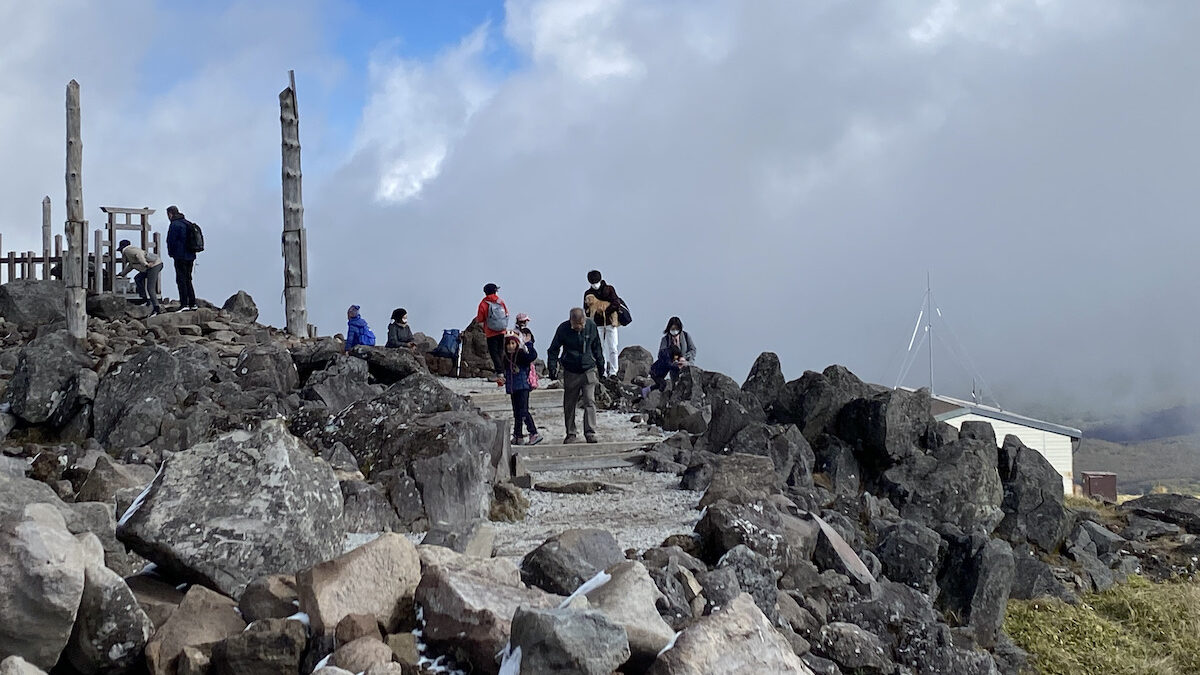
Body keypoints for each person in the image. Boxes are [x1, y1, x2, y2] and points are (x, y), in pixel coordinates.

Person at [547, 307, 605, 444]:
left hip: (588, 369)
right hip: (571, 370)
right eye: (575, 325)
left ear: (584, 320)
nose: (578, 327)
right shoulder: (563, 329)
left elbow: (597, 347)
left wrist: (602, 367)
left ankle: (590, 432)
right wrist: (552, 369)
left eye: (581, 324)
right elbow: (553, 349)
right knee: (569, 403)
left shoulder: (591, 326)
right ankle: (571, 433)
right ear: (571, 321)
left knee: (590, 401)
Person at [500, 331, 543, 446]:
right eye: (508, 344)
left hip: (523, 387)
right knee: (516, 412)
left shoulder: (521, 354)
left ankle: (533, 433)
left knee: (524, 411)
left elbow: (532, 356)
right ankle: (518, 435)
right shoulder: (505, 357)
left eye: (513, 343)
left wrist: (529, 345)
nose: (510, 346)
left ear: (517, 344)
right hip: (513, 388)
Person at [583, 270, 622, 378]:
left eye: (595, 281)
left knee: (613, 347)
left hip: (610, 323)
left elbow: (616, 303)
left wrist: (605, 311)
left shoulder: (609, 289)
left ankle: (614, 371)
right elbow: (586, 308)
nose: (594, 284)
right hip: (597, 325)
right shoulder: (588, 294)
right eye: (592, 282)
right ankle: (602, 371)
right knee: (600, 348)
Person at [646, 317, 697, 396]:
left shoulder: (686, 336)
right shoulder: (665, 339)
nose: (674, 331)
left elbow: (693, 350)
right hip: (673, 368)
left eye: (676, 328)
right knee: (675, 388)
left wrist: (684, 358)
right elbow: (661, 354)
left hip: (686, 365)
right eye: (672, 328)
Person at [115, 239, 164, 315]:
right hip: (153, 265)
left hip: (154, 265)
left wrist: (145, 264)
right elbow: (131, 266)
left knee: (150, 288)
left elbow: (139, 255)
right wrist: (121, 274)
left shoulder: (127, 250)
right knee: (138, 278)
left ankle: (156, 308)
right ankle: (144, 299)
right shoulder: (131, 251)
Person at [164, 205, 197, 311]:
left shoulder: (174, 224)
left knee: (181, 279)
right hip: (191, 256)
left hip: (180, 256)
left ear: (170, 213)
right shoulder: (187, 223)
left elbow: (171, 241)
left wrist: (171, 253)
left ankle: (184, 304)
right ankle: (193, 303)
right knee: (188, 279)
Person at [474, 283, 509, 375]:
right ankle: (504, 370)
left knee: (494, 353)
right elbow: (506, 313)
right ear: (495, 291)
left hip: (490, 332)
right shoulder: (500, 301)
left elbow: (480, 319)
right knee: (501, 351)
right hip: (501, 330)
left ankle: (500, 371)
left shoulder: (483, 303)